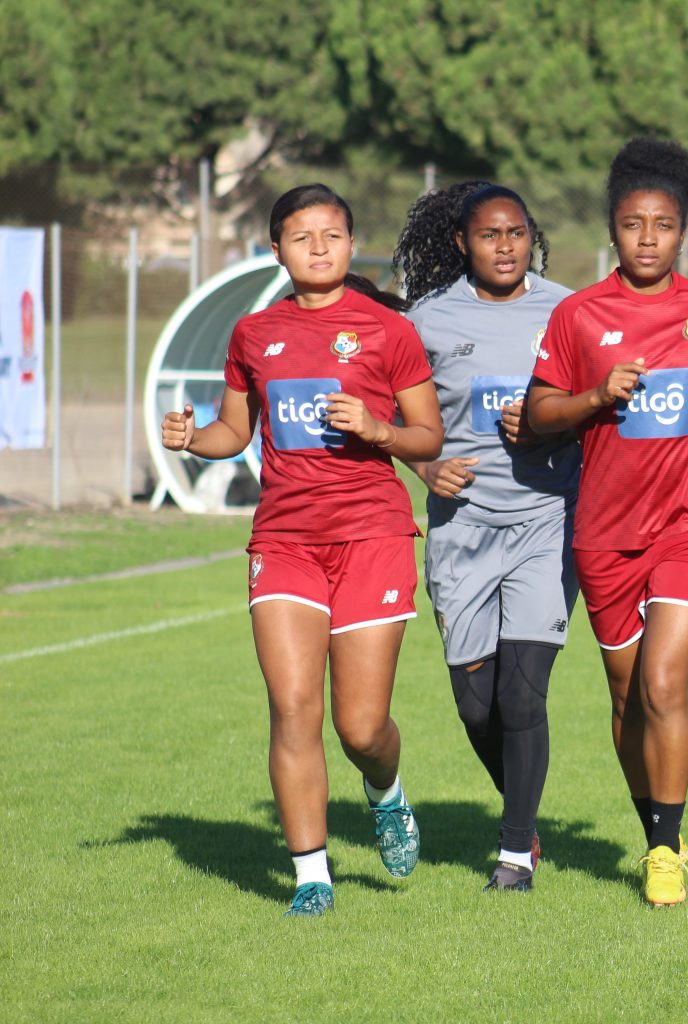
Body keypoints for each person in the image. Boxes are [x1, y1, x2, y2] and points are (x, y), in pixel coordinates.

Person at [160, 183, 443, 917]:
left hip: (373, 538)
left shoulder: (388, 330)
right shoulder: (255, 334)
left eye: (332, 235)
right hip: (284, 541)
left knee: (361, 726)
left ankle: (386, 792)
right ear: (277, 249)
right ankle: (311, 876)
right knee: (291, 709)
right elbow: (234, 431)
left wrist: (377, 430)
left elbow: (427, 437)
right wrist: (195, 440)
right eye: (301, 236)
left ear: (352, 245)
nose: (318, 248)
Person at [524, 137, 688, 907]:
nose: (648, 238)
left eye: (663, 224)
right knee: (628, 700)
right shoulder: (578, 315)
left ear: (684, 230)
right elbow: (537, 413)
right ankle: (657, 827)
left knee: (665, 683)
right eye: (633, 224)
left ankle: (664, 852)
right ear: (612, 230)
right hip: (604, 532)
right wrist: (596, 398)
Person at [392, 181, 578, 892]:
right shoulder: (427, 322)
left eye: (517, 233)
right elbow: (392, 417)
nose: (505, 246)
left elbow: (596, 403)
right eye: (490, 235)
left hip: (546, 519)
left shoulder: (567, 310)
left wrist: (550, 423)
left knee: (523, 698)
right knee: (477, 705)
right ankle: (525, 825)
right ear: (463, 244)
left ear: (531, 238)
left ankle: (512, 854)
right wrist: (425, 464)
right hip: (462, 528)